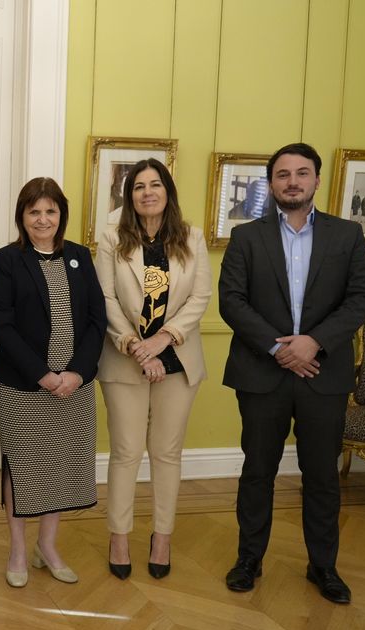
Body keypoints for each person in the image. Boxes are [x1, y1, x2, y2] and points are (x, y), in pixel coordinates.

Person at [219, 142, 365, 604]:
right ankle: (249, 560)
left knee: (322, 474)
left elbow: (360, 299)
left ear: (317, 180)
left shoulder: (348, 235)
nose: (292, 181)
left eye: (301, 173)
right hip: (261, 374)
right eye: (283, 174)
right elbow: (232, 301)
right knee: (257, 472)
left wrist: (314, 342)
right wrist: (278, 348)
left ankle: (323, 567)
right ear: (272, 184)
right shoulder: (246, 236)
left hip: (323, 375)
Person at [95, 158, 212, 580]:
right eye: (139, 186)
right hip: (124, 356)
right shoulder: (112, 239)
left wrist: (162, 343)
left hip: (178, 359)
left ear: (167, 192)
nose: (147, 192)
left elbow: (200, 298)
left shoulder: (192, 238)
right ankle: (119, 535)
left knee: (166, 452)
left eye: (155, 184)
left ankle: (162, 536)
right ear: (130, 197)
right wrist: (136, 347)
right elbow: (105, 299)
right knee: (126, 451)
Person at [0, 177, 106, 588]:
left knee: (61, 465)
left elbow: (96, 320)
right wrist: (43, 374)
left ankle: (48, 546)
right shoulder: (7, 260)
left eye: (50, 211)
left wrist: (76, 372)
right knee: (23, 467)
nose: (42, 219)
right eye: (34, 211)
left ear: (61, 214)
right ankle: (18, 549)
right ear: (22, 216)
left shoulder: (79, 256)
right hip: (24, 385)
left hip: (74, 385)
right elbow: (1, 325)